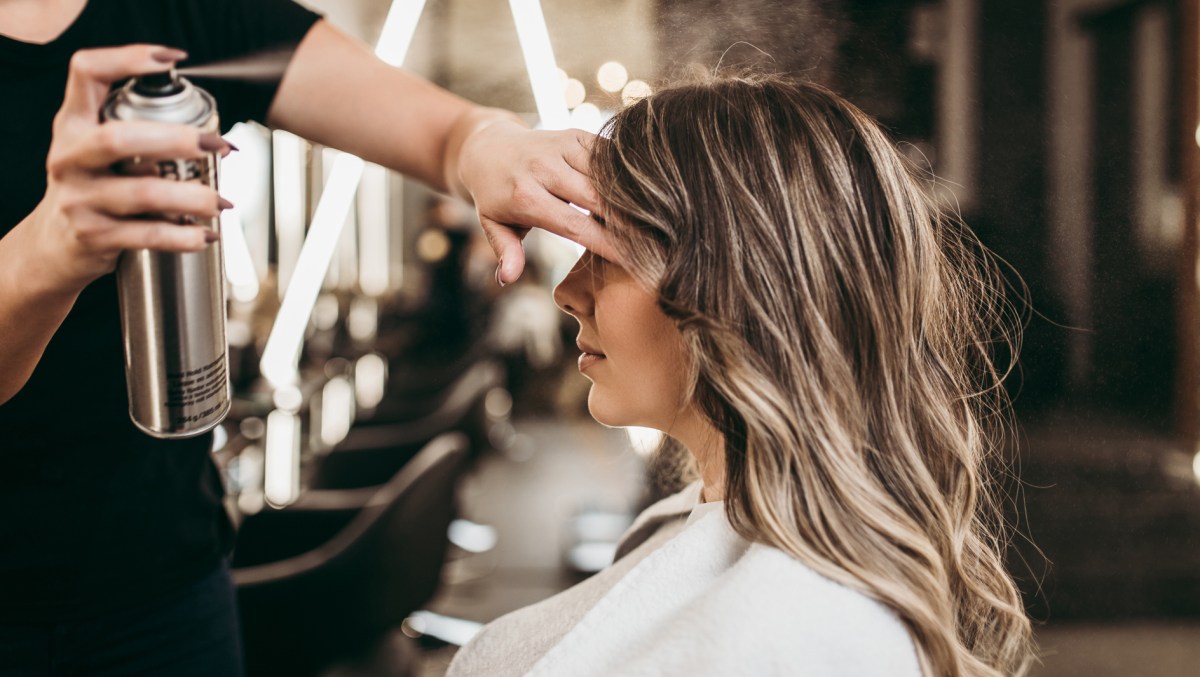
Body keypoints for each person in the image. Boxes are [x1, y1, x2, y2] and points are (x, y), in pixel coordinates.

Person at [0, 0, 608, 673]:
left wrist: (490, 142)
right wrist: (44, 256)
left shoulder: (184, 18)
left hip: (165, 583)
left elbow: (446, 133)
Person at [447, 74, 1036, 676]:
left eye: (604, 250)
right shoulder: (728, 552)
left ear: (739, 290)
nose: (568, 292)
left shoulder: (789, 640)